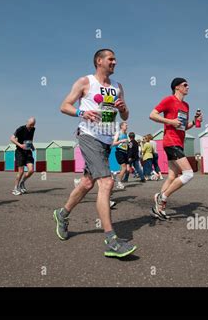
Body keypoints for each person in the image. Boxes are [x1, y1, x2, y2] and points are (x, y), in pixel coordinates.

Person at [53, 48, 137, 258]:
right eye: (111, 59)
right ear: (99, 61)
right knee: (106, 183)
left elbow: (125, 115)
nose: (115, 62)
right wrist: (82, 112)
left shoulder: (118, 87)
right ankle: (111, 240)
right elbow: (64, 106)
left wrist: (123, 108)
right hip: (89, 136)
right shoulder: (85, 82)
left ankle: (61, 214)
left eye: (115, 59)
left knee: (88, 183)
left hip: (107, 139)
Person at [149, 77, 202, 220]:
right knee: (188, 173)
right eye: (185, 85)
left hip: (179, 142)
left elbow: (183, 126)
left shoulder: (186, 105)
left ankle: (158, 208)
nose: (188, 87)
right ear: (177, 87)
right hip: (170, 141)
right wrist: (169, 121)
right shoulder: (169, 100)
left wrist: (194, 121)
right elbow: (152, 115)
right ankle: (162, 197)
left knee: (172, 176)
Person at [10, 117, 36, 195]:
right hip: (20, 151)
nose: (31, 126)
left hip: (28, 151)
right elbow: (11, 138)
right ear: (27, 122)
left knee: (31, 170)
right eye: (30, 124)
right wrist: (20, 145)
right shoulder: (20, 129)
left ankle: (22, 182)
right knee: (21, 171)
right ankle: (15, 188)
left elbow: (30, 139)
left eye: (33, 125)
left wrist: (32, 146)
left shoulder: (33, 129)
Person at [112, 121, 129, 189]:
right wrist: (121, 141)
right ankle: (119, 182)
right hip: (119, 151)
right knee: (124, 167)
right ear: (121, 126)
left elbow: (125, 144)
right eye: (126, 125)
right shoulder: (118, 133)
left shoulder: (126, 134)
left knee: (126, 169)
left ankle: (115, 174)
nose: (127, 126)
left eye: (127, 125)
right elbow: (113, 143)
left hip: (125, 151)